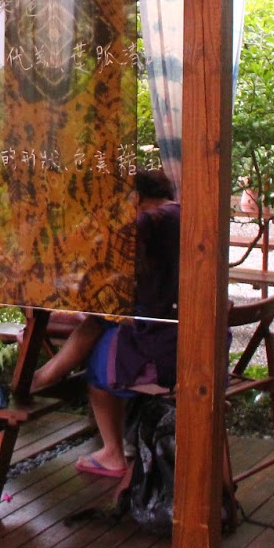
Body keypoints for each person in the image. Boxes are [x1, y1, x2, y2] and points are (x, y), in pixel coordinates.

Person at [32, 167, 182, 480]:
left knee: (99, 355)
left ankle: (112, 451)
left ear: (136, 198)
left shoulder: (154, 219)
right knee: (97, 323)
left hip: (166, 347)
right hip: (186, 335)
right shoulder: (182, 216)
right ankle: (44, 377)